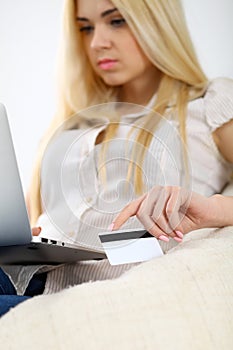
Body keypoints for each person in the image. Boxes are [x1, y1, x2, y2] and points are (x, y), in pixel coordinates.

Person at [1, 0, 233, 317]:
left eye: (117, 21)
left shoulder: (210, 104)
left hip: (84, 298)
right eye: (85, 28)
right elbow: (26, 221)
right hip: (24, 278)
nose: (97, 43)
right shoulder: (73, 124)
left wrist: (216, 208)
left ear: (159, 22)